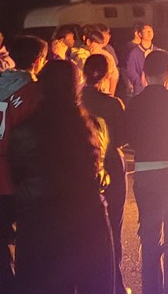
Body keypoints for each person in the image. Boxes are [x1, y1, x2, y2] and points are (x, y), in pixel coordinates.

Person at [8, 60, 115, 294]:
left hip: (40, 221)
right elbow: (99, 171)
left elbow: (16, 175)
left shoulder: (24, 130)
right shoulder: (94, 127)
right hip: (87, 219)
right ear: (77, 87)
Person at [125, 49, 168, 294]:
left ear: (144, 72)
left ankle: (151, 289)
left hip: (145, 172)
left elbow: (129, 137)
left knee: (149, 234)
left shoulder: (135, 102)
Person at [0, 35, 47, 294]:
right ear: (38, 60)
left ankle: (7, 285)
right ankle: (28, 283)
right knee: (30, 227)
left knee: (5, 229)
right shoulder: (33, 90)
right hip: (23, 166)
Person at [81, 54, 129, 294]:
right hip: (110, 166)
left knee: (84, 229)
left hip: (81, 170)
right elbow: (123, 137)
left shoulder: (76, 101)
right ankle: (114, 284)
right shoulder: (112, 104)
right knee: (113, 228)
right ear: (109, 73)